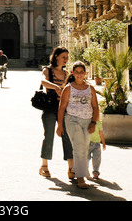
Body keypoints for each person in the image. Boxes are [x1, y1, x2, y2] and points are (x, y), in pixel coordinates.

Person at [56, 61, 100, 189]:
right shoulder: (68, 88)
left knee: (85, 148)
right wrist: (60, 125)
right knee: (79, 147)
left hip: (87, 121)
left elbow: (95, 107)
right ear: (73, 73)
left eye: (82, 72)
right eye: (77, 72)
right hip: (72, 120)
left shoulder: (90, 88)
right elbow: (62, 107)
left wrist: (94, 122)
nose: (80, 75)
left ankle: (80, 172)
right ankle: (80, 177)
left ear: (85, 73)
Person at [39, 47, 74, 179]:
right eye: (63, 57)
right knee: (48, 136)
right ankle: (44, 166)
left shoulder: (66, 74)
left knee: (67, 137)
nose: (66, 60)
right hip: (50, 108)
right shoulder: (47, 70)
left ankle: (71, 168)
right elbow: (43, 81)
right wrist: (56, 87)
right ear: (56, 56)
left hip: (64, 109)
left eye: (67, 57)